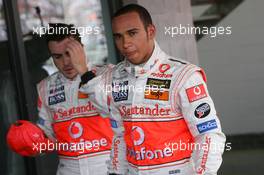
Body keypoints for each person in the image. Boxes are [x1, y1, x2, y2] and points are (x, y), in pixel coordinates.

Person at [70, 4, 226, 175]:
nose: (125, 43)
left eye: (132, 33)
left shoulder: (184, 75)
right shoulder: (114, 77)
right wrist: (115, 172)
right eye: (118, 36)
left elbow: (208, 134)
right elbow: (121, 135)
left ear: (150, 31)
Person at [36, 23, 115, 175]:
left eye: (69, 53)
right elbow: (48, 138)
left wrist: (85, 73)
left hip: (108, 167)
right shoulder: (44, 87)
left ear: (81, 49)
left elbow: (110, 109)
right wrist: (32, 143)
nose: (65, 62)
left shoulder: (109, 74)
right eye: (57, 57)